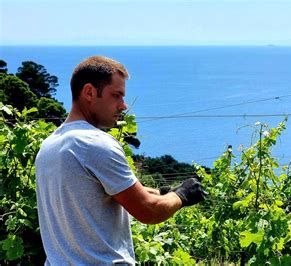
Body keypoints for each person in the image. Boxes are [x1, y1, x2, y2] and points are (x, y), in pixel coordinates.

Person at [35, 55, 206, 265]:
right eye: (116, 95)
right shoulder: (94, 143)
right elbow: (148, 211)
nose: (123, 105)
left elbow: (114, 192)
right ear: (89, 92)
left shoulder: (49, 146)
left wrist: (164, 193)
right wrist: (182, 196)